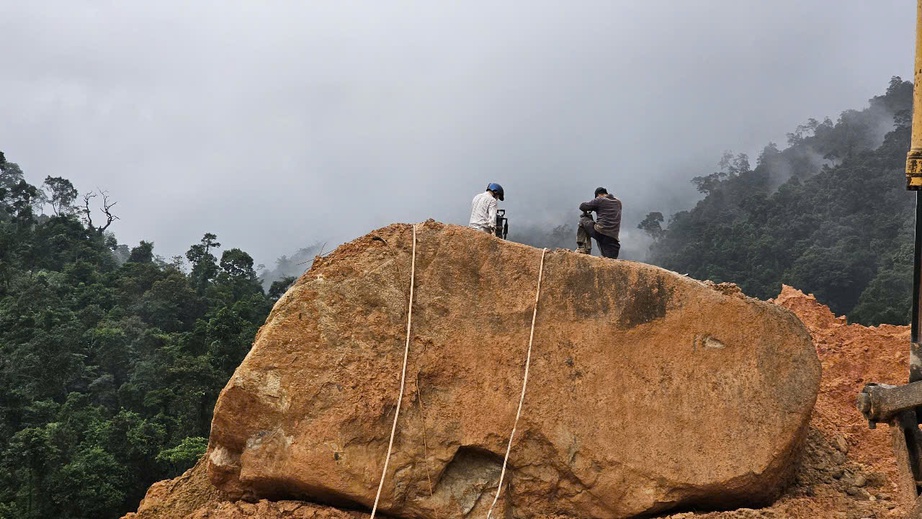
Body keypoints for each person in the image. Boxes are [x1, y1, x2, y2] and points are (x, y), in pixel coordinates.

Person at [576, 187, 621, 258]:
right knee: (609, 259)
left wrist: (593, 207)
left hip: (601, 232)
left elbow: (582, 206)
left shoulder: (599, 200)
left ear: (599, 194)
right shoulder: (618, 202)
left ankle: (582, 248)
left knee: (583, 220)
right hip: (613, 237)